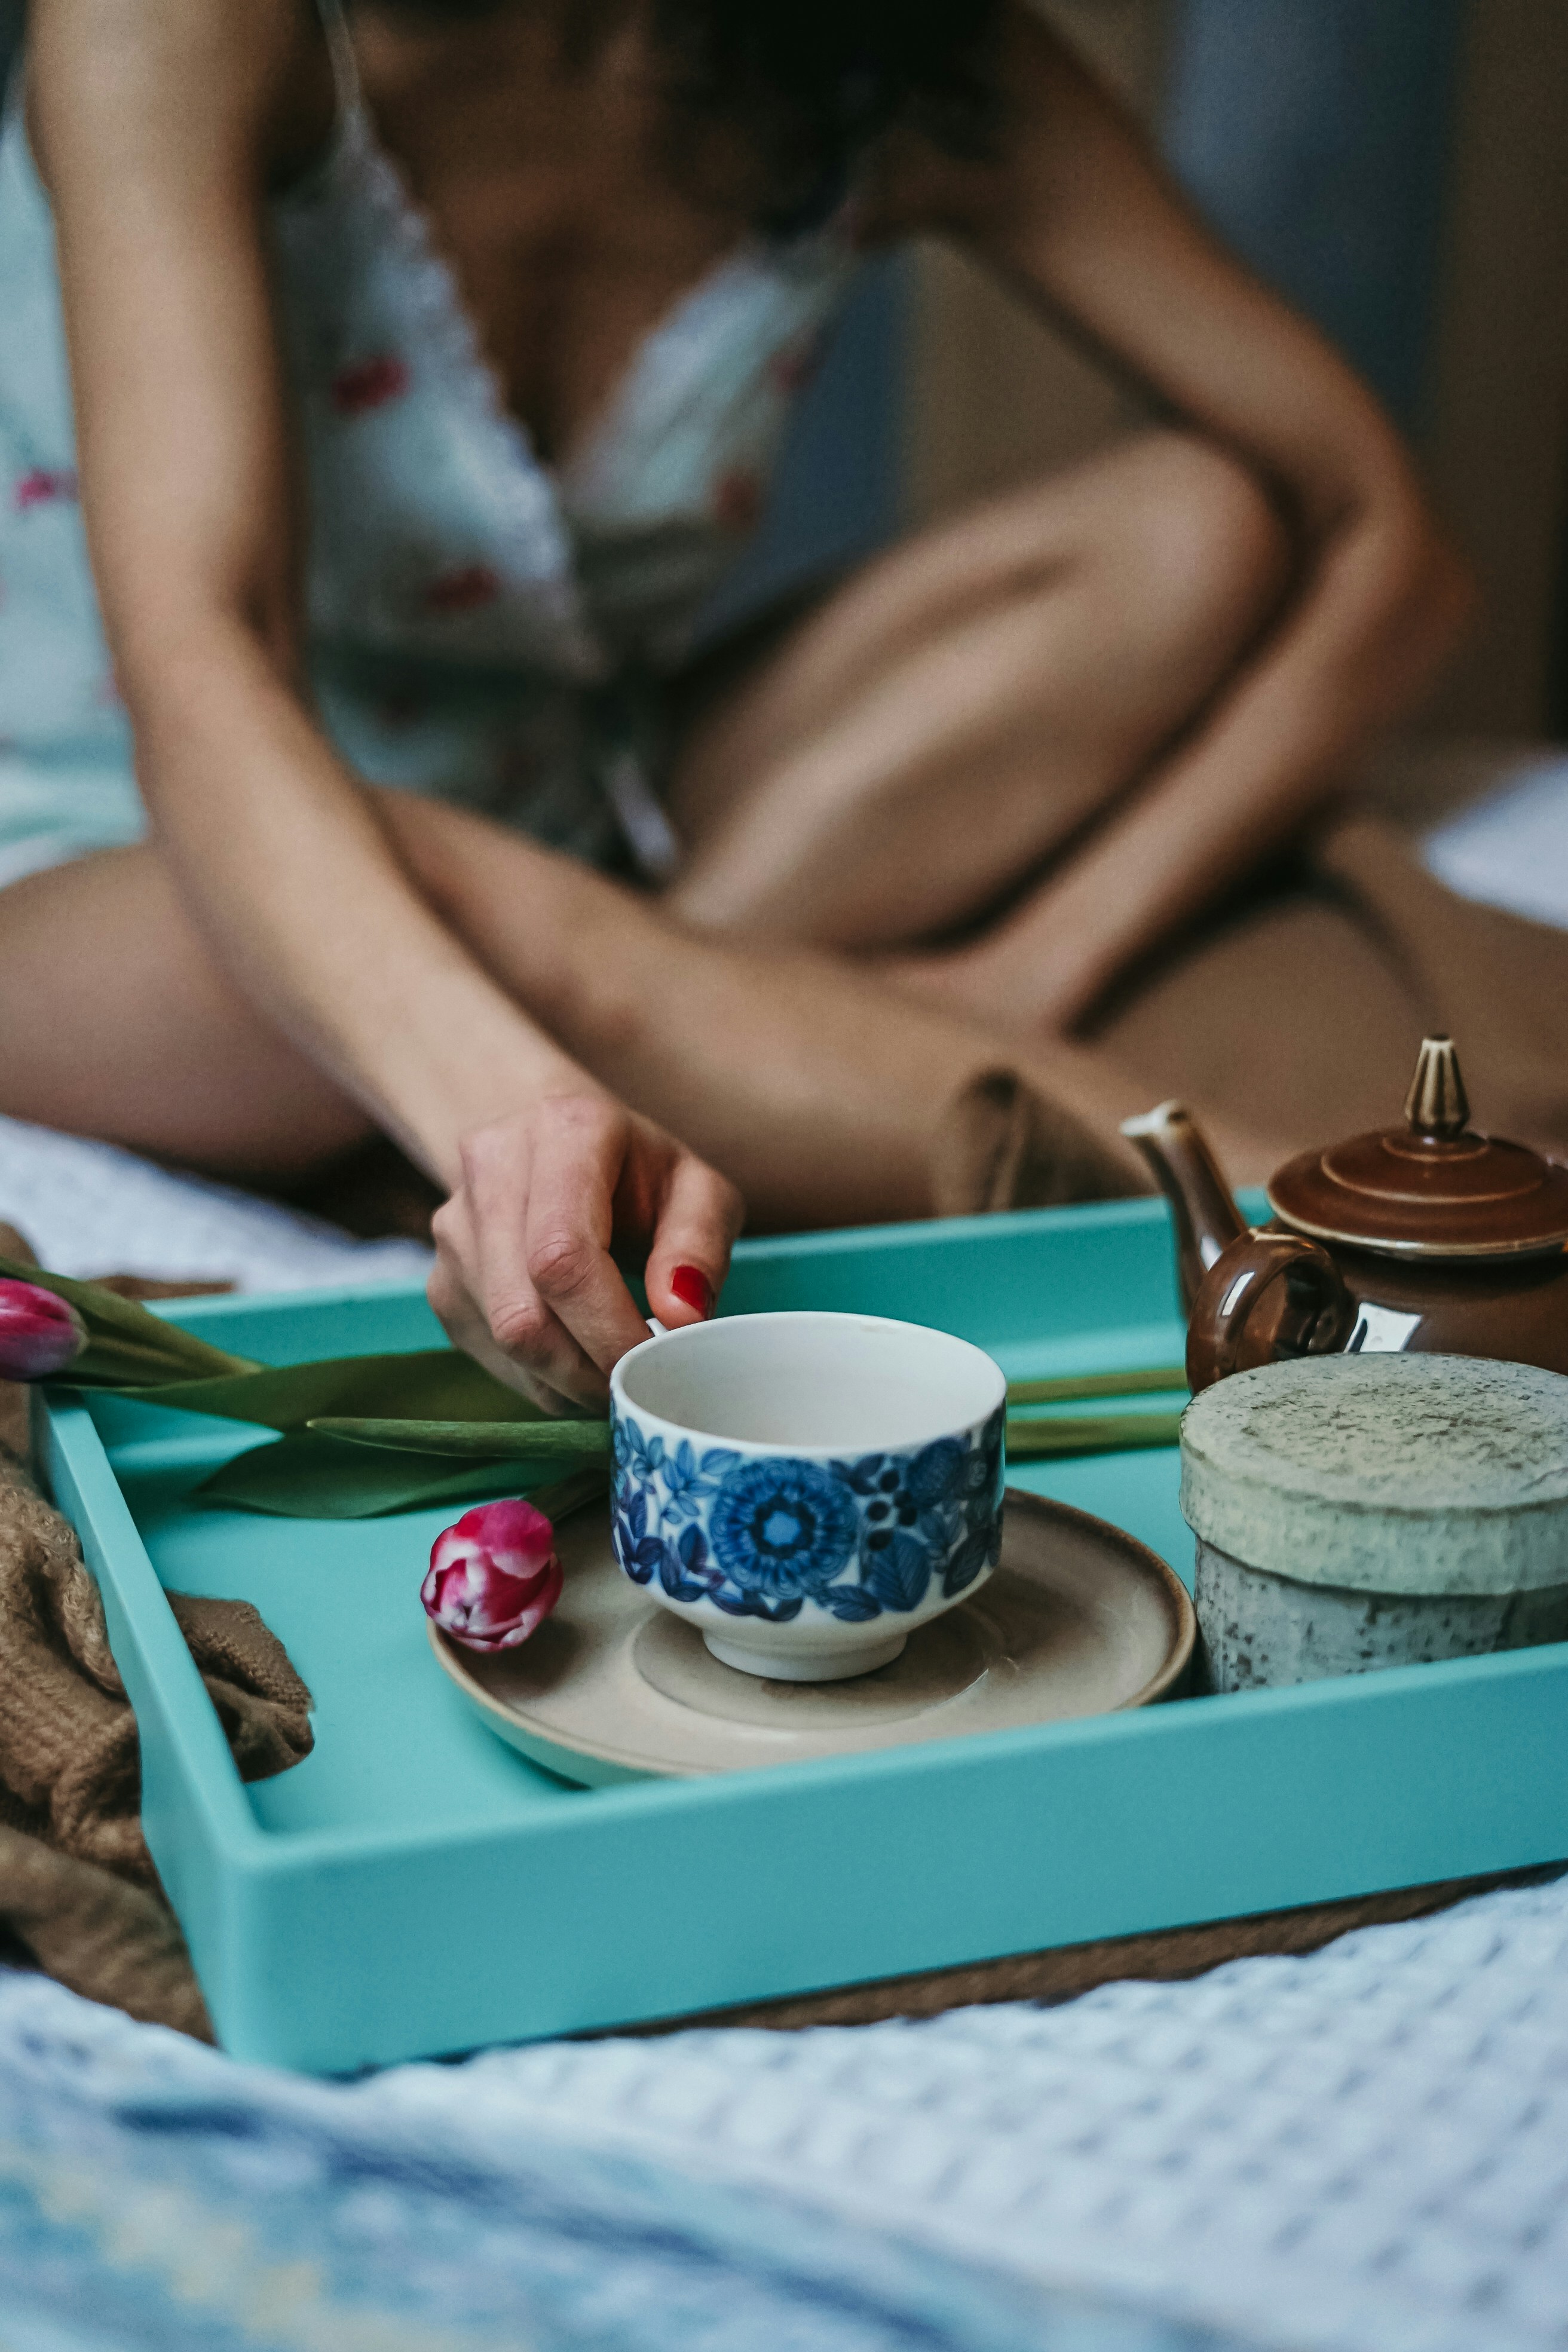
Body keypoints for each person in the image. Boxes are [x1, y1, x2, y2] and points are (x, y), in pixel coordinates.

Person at [0, 0, 1467, 1410]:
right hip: (115, 848)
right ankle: (1343, 1226)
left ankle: (682, 1024)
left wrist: (1029, 967)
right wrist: (518, 1111)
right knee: (477, 906)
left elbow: (1388, 539)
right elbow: (202, 659)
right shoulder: (186, 21)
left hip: (587, 805)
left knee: (1194, 529)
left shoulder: (896, 61)